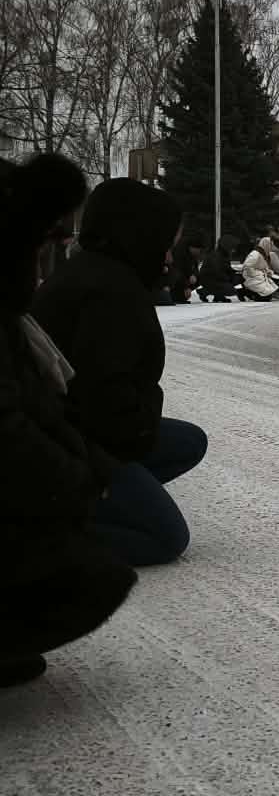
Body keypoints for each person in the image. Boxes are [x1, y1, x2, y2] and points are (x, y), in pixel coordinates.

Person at [0, 156, 139, 685]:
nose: (47, 257)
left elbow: (44, 407)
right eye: (43, 243)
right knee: (104, 568)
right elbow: (17, 427)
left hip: (84, 443)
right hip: (89, 446)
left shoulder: (16, 320)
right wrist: (80, 481)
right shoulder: (105, 293)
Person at [31, 176, 208, 571]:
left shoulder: (93, 273)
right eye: (165, 245)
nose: (168, 258)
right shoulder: (110, 295)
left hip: (65, 427)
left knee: (189, 441)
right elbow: (105, 404)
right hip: (64, 441)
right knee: (166, 537)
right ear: (140, 237)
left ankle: (91, 504)